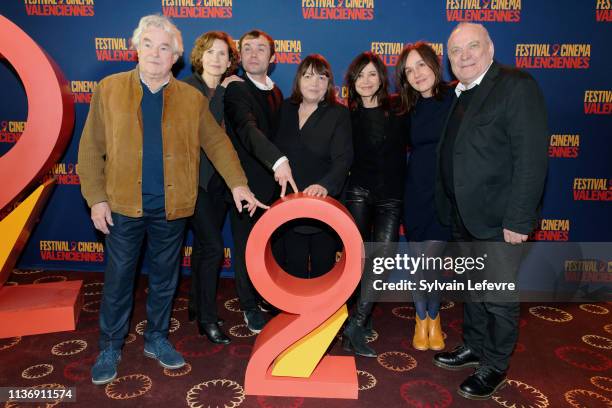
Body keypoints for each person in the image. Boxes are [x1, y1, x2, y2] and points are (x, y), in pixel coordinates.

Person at [77, 15, 266, 386]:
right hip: (121, 207)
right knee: (118, 281)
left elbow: (217, 144)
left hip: (172, 208)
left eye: (165, 47)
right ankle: (111, 345)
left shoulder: (191, 98)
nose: (155, 52)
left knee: (165, 280)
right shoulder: (108, 89)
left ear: (175, 56)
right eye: (148, 43)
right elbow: (90, 149)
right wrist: (96, 199)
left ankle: (157, 338)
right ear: (136, 46)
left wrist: (239, 185)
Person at [432, 23, 548, 400]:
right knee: (473, 289)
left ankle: (495, 365)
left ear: (490, 48)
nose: (463, 56)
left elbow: (531, 159)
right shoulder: (460, 93)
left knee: (497, 297)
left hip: (500, 220)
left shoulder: (515, 85)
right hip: (465, 217)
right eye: (455, 51)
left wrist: (518, 219)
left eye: (472, 47)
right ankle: (475, 346)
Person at [224, 29, 299, 333]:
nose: (254, 54)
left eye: (260, 49)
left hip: (273, 185)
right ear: (239, 56)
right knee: (246, 248)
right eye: (247, 49)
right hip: (245, 184)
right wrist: (279, 161)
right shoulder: (236, 90)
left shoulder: (276, 91)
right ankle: (248, 306)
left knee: (270, 246)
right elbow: (247, 129)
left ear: (273, 57)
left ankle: (266, 296)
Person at [341, 52, 407, 357]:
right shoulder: (347, 116)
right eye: (359, 76)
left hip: (392, 196)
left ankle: (356, 322)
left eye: (371, 74)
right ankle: (358, 319)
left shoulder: (399, 109)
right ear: (352, 82)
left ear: (381, 77)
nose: (365, 81)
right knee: (357, 259)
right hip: (358, 193)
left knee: (382, 258)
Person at [182, 31, 242, 345]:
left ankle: (195, 302)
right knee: (215, 249)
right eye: (210, 53)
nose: (217, 59)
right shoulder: (188, 88)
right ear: (199, 56)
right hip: (195, 182)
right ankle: (207, 319)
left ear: (230, 60)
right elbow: (206, 125)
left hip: (220, 182)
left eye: (223, 54)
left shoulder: (231, 89)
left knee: (206, 248)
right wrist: (224, 92)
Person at [273, 54, 353, 279]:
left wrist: (325, 186)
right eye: (308, 76)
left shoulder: (339, 114)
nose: (314, 83)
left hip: (323, 206)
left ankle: (325, 316)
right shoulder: (284, 109)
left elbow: (343, 159)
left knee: (323, 271)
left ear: (329, 84)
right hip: (288, 206)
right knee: (292, 271)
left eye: (321, 77)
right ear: (298, 80)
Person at [396, 42, 453, 352]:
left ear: (434, 64)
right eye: (408, 70)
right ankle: (421, 320)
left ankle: (435, 316)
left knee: (433, 261)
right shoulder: (406, 108)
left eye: (420, 65)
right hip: (415, 190)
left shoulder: (456, 98)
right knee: (419, 262)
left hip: (445, 194)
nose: (416, 73)